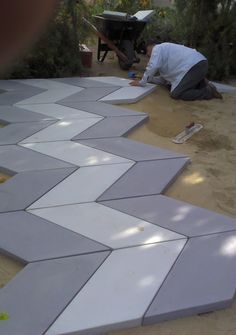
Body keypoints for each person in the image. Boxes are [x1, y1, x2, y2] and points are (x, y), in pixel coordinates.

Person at [130, 40, 222, 100]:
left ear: (152, 46)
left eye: (148, 51)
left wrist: (142, 82)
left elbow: (152, 66)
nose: (147, 54)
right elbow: (163, 80)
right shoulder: (166, 55)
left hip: (194, 66)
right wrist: (148, 78)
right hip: (199, 64)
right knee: (169, 85)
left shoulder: (158, 48)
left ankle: (207, 92)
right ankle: (200, 83)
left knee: (175, 94)